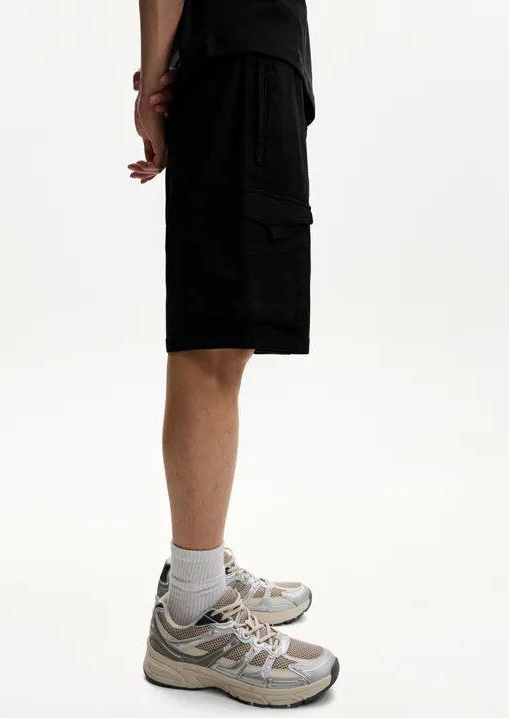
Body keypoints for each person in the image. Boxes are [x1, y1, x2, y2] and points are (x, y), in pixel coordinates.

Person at [128, 0, 339, 707]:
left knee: (232, 334)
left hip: (260, 63)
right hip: (233, 64)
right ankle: (194, 615)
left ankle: (204, 565)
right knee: (212, 336)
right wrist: (154, 81)